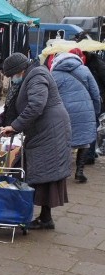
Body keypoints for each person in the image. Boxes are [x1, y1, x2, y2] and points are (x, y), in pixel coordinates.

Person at [0, 52, 72, 230]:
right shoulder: (31, 75)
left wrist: (15, 126)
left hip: (50, 130)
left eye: (12, 75)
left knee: (43, 172)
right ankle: (40, 217)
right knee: (37, 170)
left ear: (19, 71)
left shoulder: (37, 75)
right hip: (45, 129)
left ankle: (37, 216)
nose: (12, 79)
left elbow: (36, 105)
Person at [50, 49, 101, 183]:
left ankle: (63, 171)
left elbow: (50, 95)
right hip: (85, 110)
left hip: (63, 111)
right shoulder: (84, 70)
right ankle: (79, 171)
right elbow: (95, 93)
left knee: (64, 140)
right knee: (84, 141)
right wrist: (95, 111)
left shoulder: (54, 74)